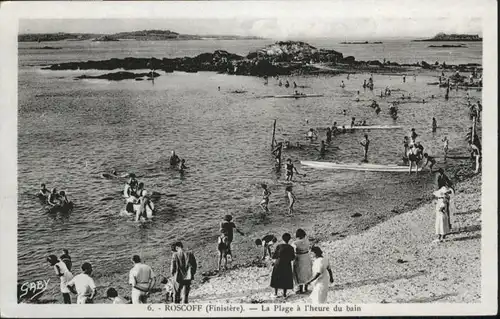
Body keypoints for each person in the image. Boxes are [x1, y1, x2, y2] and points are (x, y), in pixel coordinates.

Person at [270, 233, 295, 298]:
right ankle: (284, 294)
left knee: (276, 277)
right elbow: (293, 258)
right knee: (286, 277)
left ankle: (275, 293)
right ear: (289, 239)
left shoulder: (279, 246)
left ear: (282, 238)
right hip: (287, 264)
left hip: (279, 263)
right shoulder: (291, 247)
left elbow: (274, 256)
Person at [292, 229, 312, 294]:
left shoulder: (295, 243)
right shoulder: (307, 241)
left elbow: (293, 250)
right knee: (307, 272)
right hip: (306, 256)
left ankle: (300, 289)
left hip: (299, 257)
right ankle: (306, 288)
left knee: (299, 273)